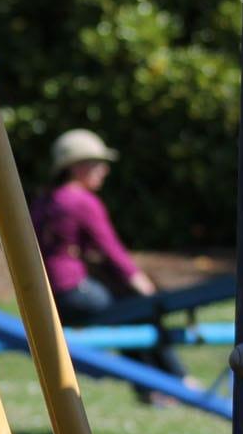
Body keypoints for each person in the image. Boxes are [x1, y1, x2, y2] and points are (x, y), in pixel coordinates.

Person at [30, 129, 191, 395]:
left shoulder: (45, 200)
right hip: (75, 291)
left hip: (47, 294)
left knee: (128, 316)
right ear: (76, 167)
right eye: (97, 163)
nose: (104, 170)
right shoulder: (82, 201)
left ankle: (152, 388)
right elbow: (113, 251)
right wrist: (145, 289)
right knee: (136, 309)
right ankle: (177, 381)